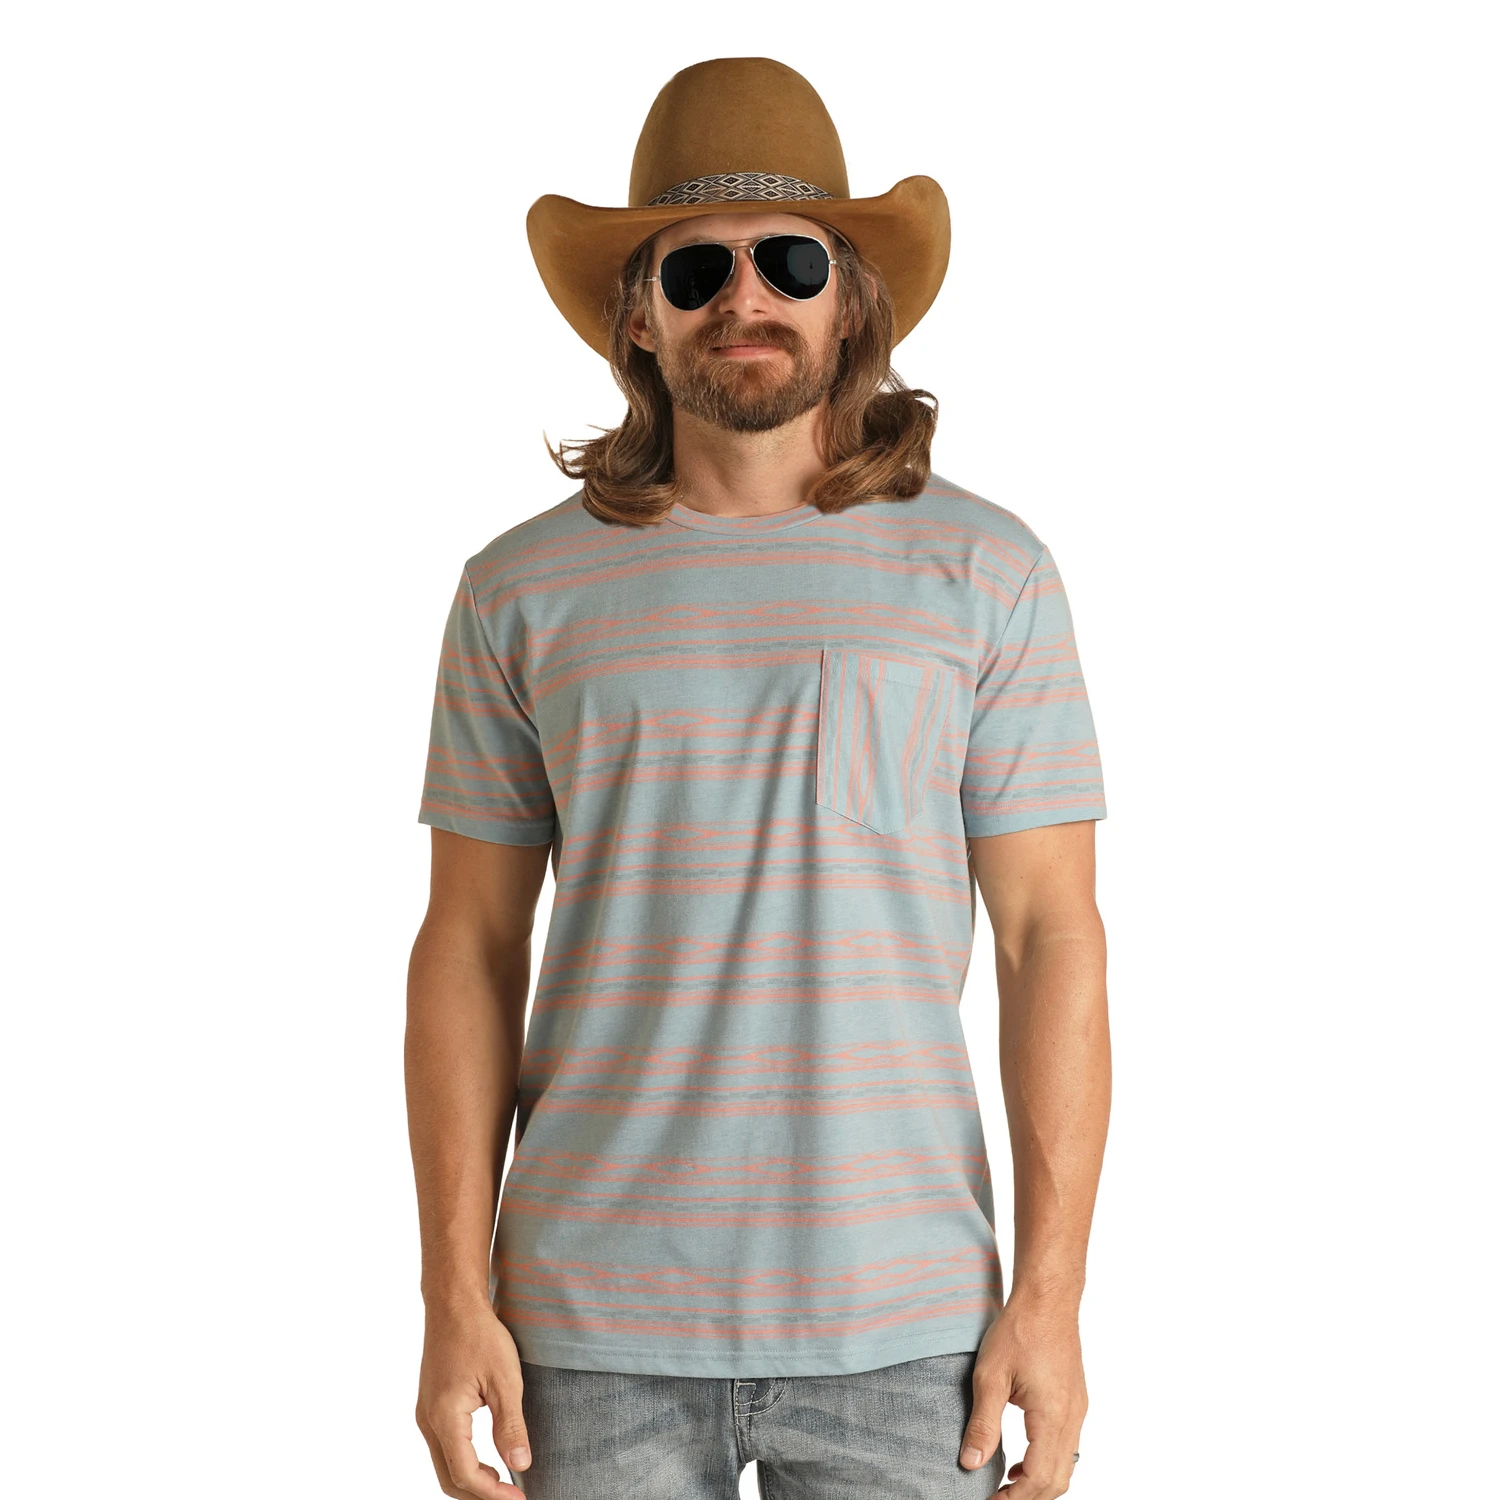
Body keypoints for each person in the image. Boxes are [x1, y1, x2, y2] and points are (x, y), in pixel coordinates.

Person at [406, 56, 1110, 1500]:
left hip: (909, 1334)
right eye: (696, 267)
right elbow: (468, 945)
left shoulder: (990, 574)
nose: (745, 298)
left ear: (850, 298)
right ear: (640, 314)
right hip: (583, 1333)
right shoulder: (518, 591)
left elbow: (1053, 939)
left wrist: (1051, 1299)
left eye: (789, 260)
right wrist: (448, 1294)